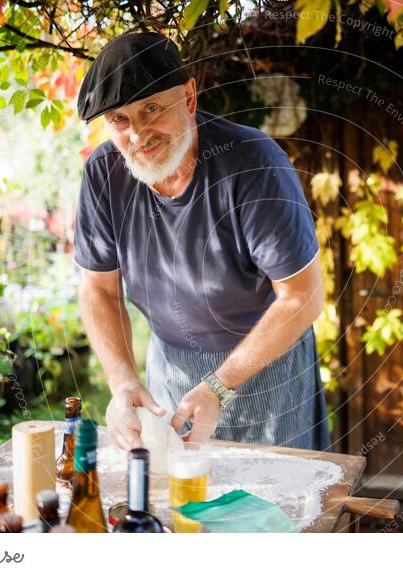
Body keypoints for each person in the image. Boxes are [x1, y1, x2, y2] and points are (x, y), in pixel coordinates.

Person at [74, 31, 330, 452]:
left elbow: (304, 295)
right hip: (170, 369)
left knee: (271, 508)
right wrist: (122, 382)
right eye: (120, 119)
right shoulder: (103, 173)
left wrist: (219, 386)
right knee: (179, 502)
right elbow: (98, 288)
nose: (137, 135)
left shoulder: (253, 163)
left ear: (189, 98)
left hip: (266, 369)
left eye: (151, 109)